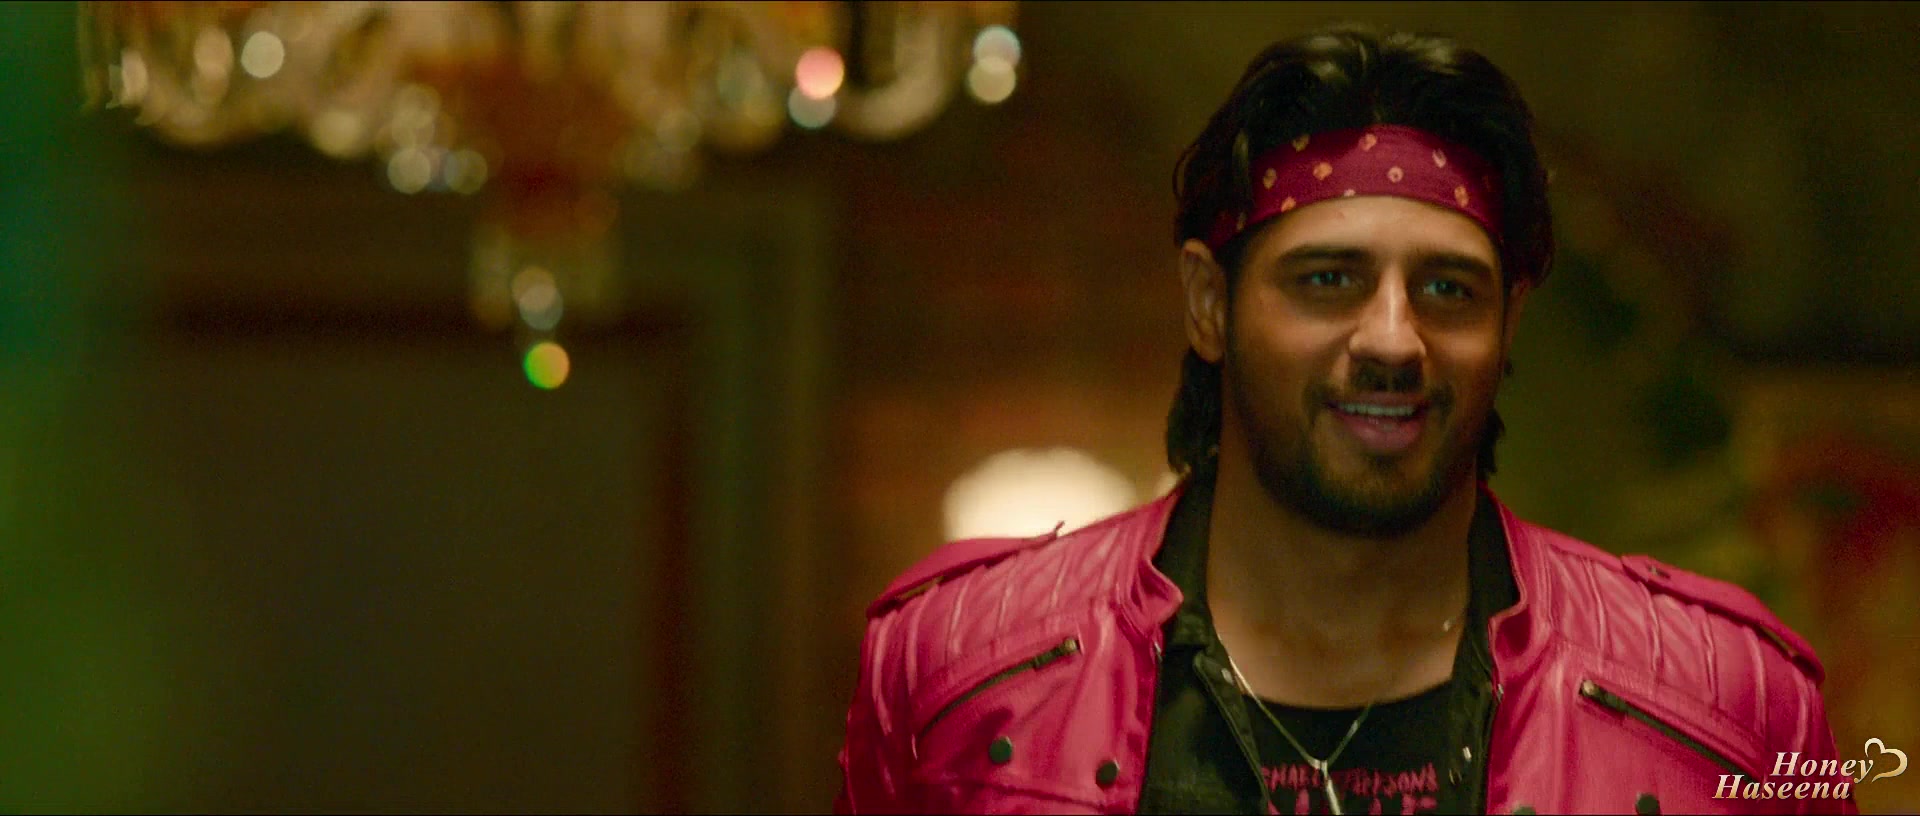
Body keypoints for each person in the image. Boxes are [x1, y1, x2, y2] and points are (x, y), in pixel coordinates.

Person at [835, 23, 1854, 815]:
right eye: (1328, 280)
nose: (1394, 340)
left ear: (1508, 326)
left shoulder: (1729, 705)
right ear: (1209, 306)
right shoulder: (962, 669)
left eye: (1448, 290)